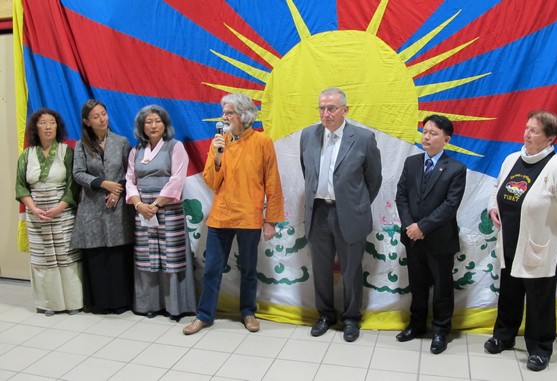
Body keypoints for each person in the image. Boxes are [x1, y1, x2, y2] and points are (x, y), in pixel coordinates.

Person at [483, 110, 557, 371]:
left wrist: (556, 232)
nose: (526, 134)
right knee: (509, 293)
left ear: (550, 138)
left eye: (534, 131)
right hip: (509, 243)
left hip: (540, 248)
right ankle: (503, 336)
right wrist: (493, 206)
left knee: (540, 301)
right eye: (527, 127)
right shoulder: (511, 159)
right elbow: (498, 188)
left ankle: (540, 349)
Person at [183, 93, 284, 335]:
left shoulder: (263, 142)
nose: (224, 117)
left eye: (229, 113)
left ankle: (248, 312)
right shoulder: (219, 141)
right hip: (221, 216)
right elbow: (212, 182)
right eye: (224, 112)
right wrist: (217, 156)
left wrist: (271, 220)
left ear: (245, 116)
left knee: (249, 268)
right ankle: (204, 315)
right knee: (212, 269)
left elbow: (273, 183)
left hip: (249, 217)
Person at [299, 87, 382, 342]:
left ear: (345, 110)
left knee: (351, 271)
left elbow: (374, 179)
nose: (326, 113)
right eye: (322, 108)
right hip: (318, 212)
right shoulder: (308, 135)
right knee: (321, 268)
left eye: (331, 108)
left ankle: (351, 318)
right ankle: (325, 315)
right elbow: (307, 172)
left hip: (349, 213)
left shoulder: (364, 138)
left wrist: (355, 204)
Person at [395, 114, 466, 354]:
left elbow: (450, 205)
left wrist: (422, 227)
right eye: (425, 131)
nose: (427, 136)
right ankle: (416, 326)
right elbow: (401, 195)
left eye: (433, 133)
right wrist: (409, 226)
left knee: (442, 288)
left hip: (439, 240)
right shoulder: (412, 163)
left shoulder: (456, 169)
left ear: (446, 139)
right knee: (417, 285)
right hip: (412, 238)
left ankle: (440, 331)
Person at [125, 105, 195, 321]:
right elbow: (129, 179)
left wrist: (155, 205)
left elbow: (177, 179)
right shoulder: (136, 151)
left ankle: (175, 306)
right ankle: (150, 304)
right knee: (148, 258)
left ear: (165, 124)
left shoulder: (175, 147)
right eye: (148, 122)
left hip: (168, 210)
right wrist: (139, 205)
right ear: (141, 127)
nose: (153, 125)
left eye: (157, 121)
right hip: (143, 211)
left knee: (171, 257)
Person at [15, 108, 83, 316]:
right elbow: (20, 186)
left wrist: (59, 207)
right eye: (43, 122)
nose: (47, 127)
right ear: (35, 127)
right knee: (43, 259)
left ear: (57, 126)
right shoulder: (26, 154)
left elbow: (73, 185)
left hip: (61, 212)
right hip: (37, 214)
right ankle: (49, 304)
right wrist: (33, 208)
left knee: (66, 256)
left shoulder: (66, 151)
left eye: (52, 122)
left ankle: (73, 303)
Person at [71, 99, 134, 314]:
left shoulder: (121, 141)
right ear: (87, 122)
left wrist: (117, 190)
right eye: (96, 116)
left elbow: (130, 173)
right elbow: (78, 173)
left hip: (117, 208)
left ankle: (121, 302)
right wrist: (102, 183)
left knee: (117, 255)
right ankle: (99, 303)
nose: (102, 119)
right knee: (97, 256)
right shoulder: (81, 145)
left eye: (104, 114)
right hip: (92, 207)